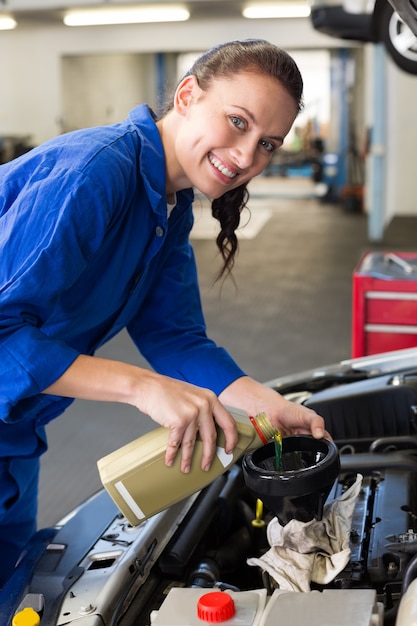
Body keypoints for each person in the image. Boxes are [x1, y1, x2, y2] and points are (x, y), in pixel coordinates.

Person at [0, 38, 327, 586]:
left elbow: (174, 337)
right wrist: (142, 388)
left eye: (268, 142)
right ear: (186, 94)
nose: (248, 157)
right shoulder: (95, 174)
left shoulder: (168, 206)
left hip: (17, 428)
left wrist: (266, 403)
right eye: (237, 121)